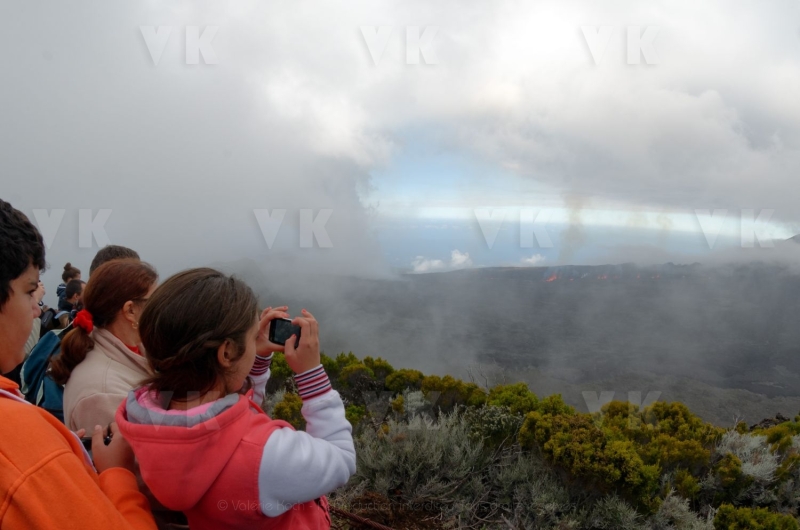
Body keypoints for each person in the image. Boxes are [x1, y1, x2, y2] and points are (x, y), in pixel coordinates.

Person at [117, 268, 356, 530]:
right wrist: (312, 377)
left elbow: (231, 414)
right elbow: (342, 458)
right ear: (227, 352)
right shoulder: (266, 455)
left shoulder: (150, 421)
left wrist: (257, 357)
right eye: (253, 337)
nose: (256, 343)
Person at [0, 198, 156, 529]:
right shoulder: (21, 442)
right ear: (129, 310)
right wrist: (114, 473)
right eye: (30, 292)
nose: (35, 310)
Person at [52, 259, 158, 433]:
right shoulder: (102, 394)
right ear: (130, 310)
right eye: (155, 302)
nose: (161, 309)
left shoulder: (134, 348)